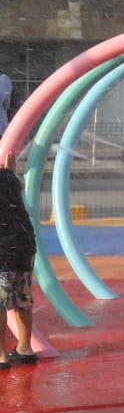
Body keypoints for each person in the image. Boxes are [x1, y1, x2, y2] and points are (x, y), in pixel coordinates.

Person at [0, 157, 36, 369]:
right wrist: (10, 170)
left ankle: (1, 354)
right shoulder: (9, 177)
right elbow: (17, 188)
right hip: (24, 245)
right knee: (23, 296)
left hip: (3, 248)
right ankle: (25, 347)